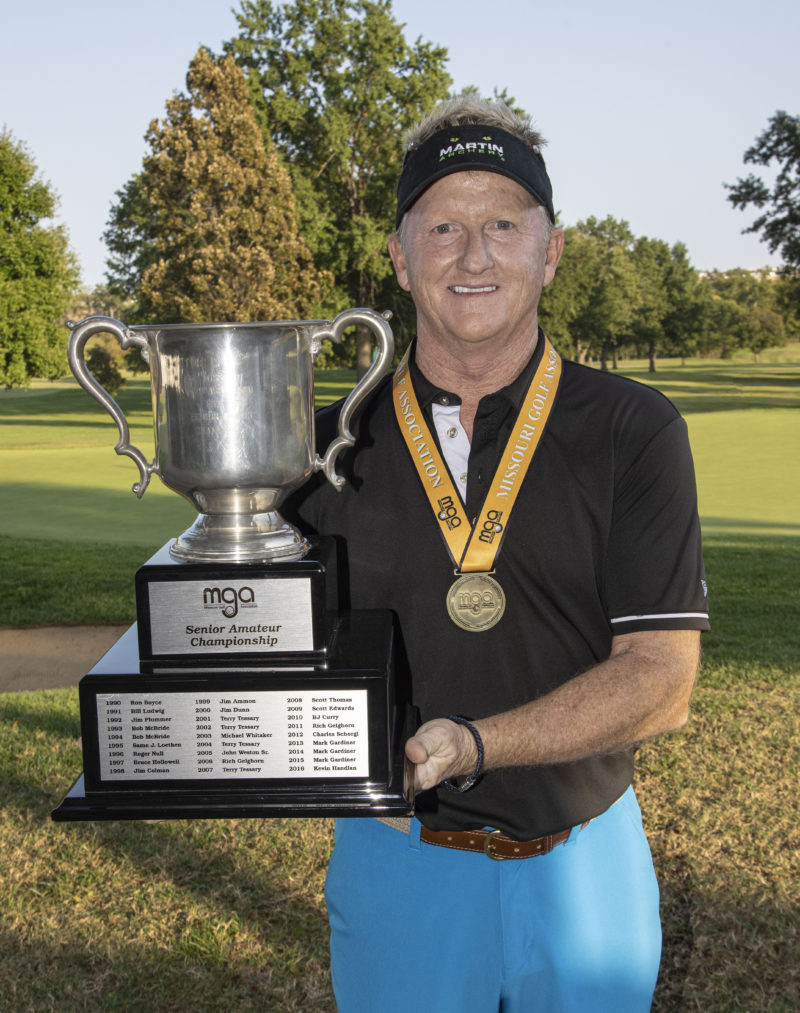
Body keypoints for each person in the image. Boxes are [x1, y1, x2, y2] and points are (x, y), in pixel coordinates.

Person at [286, 96, 709, 1012]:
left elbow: (663, 677)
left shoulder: (633, 430)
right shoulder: (317, 446)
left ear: (549, 250)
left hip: (587, 867)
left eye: (502, 224)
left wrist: (477, 744)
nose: (473, 254)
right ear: (400, 256)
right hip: (399, 865)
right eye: (441, 225)